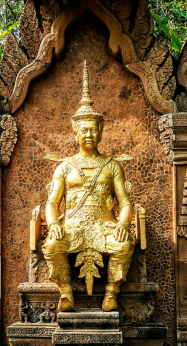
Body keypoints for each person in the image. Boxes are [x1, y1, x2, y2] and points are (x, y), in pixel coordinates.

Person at [42, 63, 135, 313]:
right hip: (72, 226)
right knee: (52, 245)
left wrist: (123, 225)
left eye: (93, 130)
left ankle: (111, 293)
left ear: (101, 132)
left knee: (124, 245)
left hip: (105, 226)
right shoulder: (65, 166)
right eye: (83, 130)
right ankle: (66, 293)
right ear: (75, 134)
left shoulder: (112, 165)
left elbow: (125, 203)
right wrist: (53, 225)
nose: (88, 135)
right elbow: (52, 203)